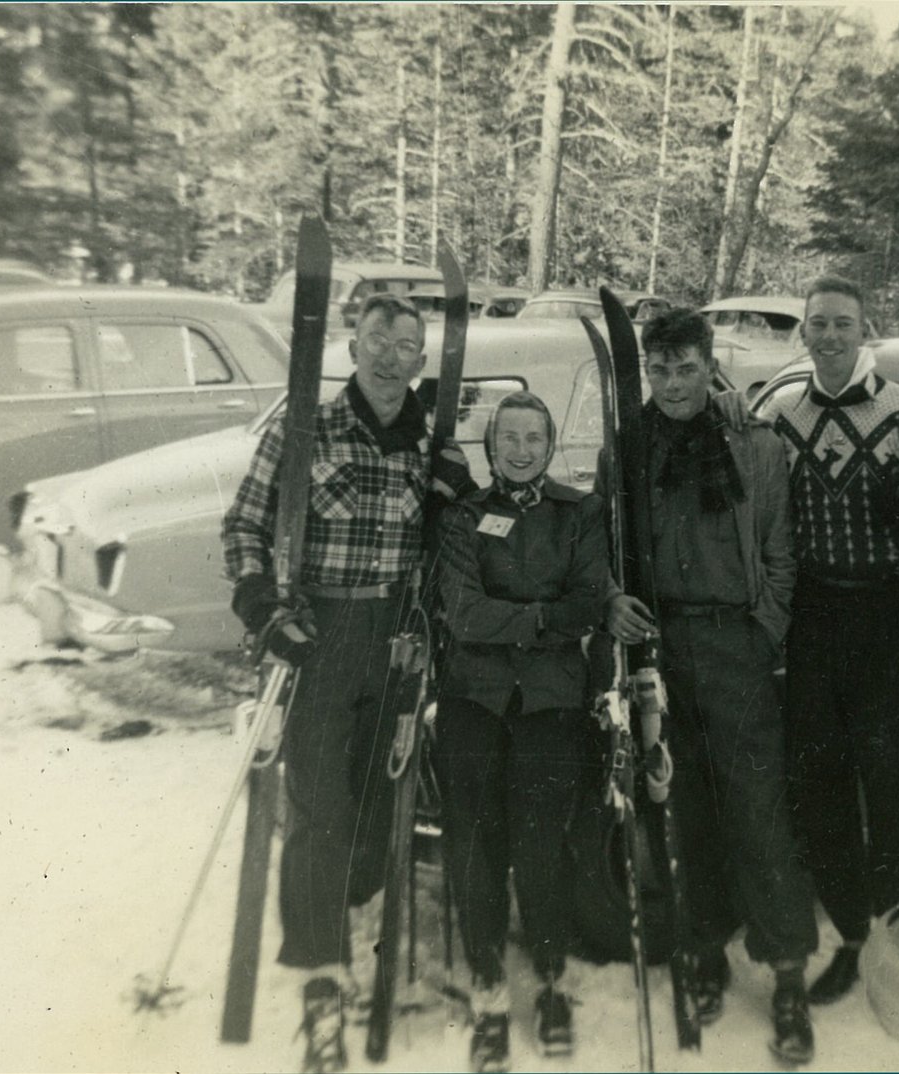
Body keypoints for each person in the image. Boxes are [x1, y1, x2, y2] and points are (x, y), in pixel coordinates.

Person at [221, 292, 473, 1073]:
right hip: (321, 634)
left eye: (405, 346)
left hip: (396, 639)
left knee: (374, 812)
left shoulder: (429, 446)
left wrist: (456, 496)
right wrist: (262, 603)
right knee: (319, 809)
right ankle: (322, 980)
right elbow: (244, 524)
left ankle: (343, 908)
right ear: (353, 346)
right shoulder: (307, 431)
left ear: (420, 360)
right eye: (376, 340)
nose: (390, 357)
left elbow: (455, 543)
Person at [605, 307, 819, 1064]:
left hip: (735, 645)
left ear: (709, 365)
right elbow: (605, 543)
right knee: (681, 806)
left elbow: (781, 552)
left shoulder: (753, 444)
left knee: (757, 810)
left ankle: (787, 973)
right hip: (659, 647)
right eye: (659, 370)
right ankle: (704, 951)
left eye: (686, 369)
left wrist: (763, 633)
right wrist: (613, 599)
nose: (671, 384)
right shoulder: (627, 447)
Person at [769, 276, 899, 1005]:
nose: (829, 336)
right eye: (818, 323)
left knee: (891, 789)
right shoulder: (783, 416)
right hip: (813, 619)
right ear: (803, 333)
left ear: (865, 332)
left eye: (842, 324)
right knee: (819, 787)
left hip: (886, 618)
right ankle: (854, 938)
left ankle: (894, 937)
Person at [434, 391, 608, 1073]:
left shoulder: (579, 512)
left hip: (550, 701)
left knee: (543, 845)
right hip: (473, 700)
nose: (521, 450)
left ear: (551, 443)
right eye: (508, 437)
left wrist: (517, 617)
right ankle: (487, 991)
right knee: (475, 847)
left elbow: (587, 602)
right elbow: (463, 612)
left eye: (534, 437)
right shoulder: (464, 515)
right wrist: (541, 619)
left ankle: (552, 981)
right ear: (490, 445)